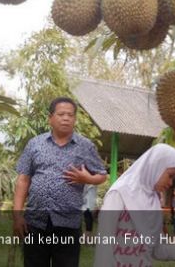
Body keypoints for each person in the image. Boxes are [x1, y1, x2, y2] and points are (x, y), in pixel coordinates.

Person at [13, 97, 108, 267]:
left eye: (70, 115)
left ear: (75, 119)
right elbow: (23, 180)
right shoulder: (35, 144)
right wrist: (17, 216)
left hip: (68, 224)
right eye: (61, 114)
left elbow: (102, 175)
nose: (66, 118)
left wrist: (87, 179)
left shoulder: (85, 146)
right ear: (50, 118)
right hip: (35, 222)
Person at [93, 144, 175, 267]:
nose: (171, 183)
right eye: (170, 175)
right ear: (156, 166)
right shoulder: (119, 194)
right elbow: (104, 245)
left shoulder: (154, 202)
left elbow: (157, 249)